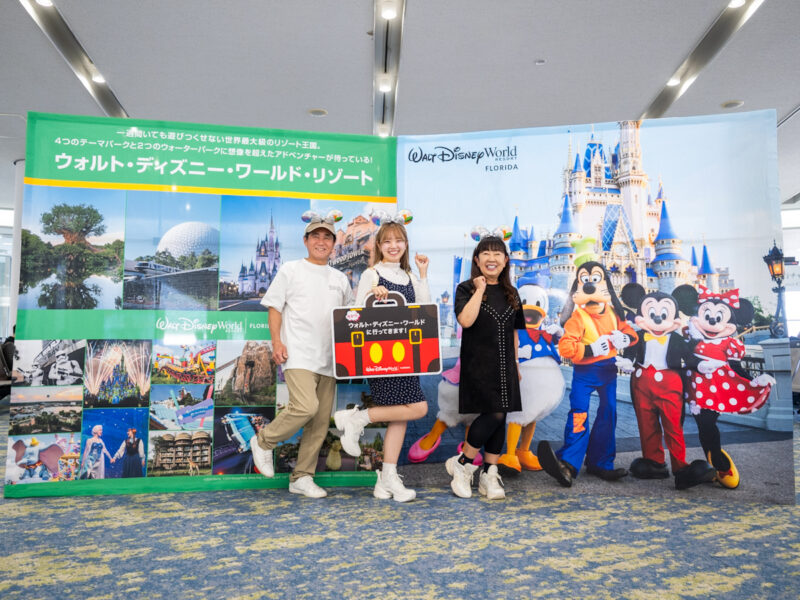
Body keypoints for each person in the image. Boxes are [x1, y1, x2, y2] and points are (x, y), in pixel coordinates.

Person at [249, 212, 353, 498]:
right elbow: (274, 308)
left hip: (331, 359)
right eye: (315, 236)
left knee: (319, 422)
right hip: (298, 353)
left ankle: (302, 477)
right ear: (305, 241)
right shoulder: (290, 269)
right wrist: (276, 342)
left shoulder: (340, 279)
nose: (321, 242)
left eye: (327, 237)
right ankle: (263, 441)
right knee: (305, 407)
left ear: (333, 244)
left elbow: (350, 317)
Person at [333, 216, 430, 502]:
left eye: (398, 240)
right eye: (387, 241)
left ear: (406, 244)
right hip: (381, 357)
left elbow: (424, 309)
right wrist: (371, 297)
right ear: (379, 245)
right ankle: (358, 418)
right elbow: (355, 314)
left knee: (400, 417)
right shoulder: (372, 274)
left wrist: (423, 274)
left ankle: (387, 478)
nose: (393, 246)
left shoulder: (409, 276)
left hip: (407, 356)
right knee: (418, 408)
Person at [446, 233, 525, 500]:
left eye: (497, 253)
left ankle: (489, 474)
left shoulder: (512, 292)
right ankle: (464, 464)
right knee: (495, 414)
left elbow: (514, 333)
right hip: (479, 364)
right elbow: (466, 321)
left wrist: (516, 364)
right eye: (486, 253)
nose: (492, 258)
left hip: (506, 365)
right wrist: (480, 290)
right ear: (477, 260)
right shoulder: (466, 288)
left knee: (501, 415)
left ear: (506, 260)